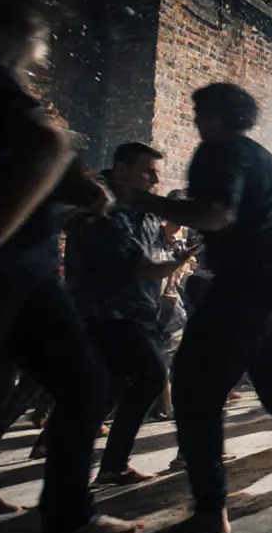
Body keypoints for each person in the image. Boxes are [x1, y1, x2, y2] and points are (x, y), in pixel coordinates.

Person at [115, 83, 272, 533]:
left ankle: (209, 510)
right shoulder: (268, 161)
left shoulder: (216, 151)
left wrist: (141, 200)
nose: (196, 118)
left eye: (199, 109)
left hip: (247, 283)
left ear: (217, 114)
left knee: (194, 387)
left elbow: (216, 215)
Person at [0, 0, 141, 533]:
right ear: (14, 32)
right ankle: (67, 518)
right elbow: (44, 149)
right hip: (7, 273)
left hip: (22, 274)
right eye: (40, 35)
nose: (44, 52)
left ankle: (9, 496)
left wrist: (83, 192)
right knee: (85, 386)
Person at [65, 142, 197, 485]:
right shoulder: (103, 206)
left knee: (105, 388)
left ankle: (97, 462)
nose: (154, 180)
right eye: (146, 172)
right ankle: (109, 466)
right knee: (149, 376)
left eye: (156, 174)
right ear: (122, 169)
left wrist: (178, 253)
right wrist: (179, 260)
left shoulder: (144, 209)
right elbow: (141, 266)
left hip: (138, 311)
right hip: (105, 311)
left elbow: (158, 249)